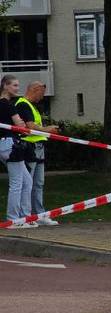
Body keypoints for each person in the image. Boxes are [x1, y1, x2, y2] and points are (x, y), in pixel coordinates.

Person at [14, 81, 57, 226]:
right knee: (28, 183)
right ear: (35, 89)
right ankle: (26, 215)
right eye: (42, 93)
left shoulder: (32, 106)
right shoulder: (23, 104)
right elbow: (30, 125)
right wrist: (48, 130)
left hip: (38, 147)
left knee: (38, 183)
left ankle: (39, 214)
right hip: (29, 147)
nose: (43, 97)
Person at [0, 75, 33, 228]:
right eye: (14, 85)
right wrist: (26, 127)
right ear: (5, 86)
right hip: (11, 145)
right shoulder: (8, 105)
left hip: (5, 145)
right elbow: (19, 124)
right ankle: (13, 219)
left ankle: (25, 216)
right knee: (17, 183)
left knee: (27, 181)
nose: (17, 88)